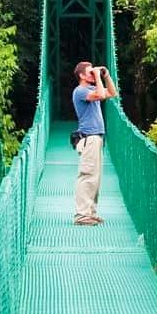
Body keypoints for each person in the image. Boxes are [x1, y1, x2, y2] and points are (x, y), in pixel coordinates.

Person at [70, 61, 115, 226]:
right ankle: (81, 215)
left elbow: (111, 93)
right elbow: (102, 95)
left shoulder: (92, 89)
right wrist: (97, 76)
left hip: (97, 137)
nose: (92, 73)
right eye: (89, 72)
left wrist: (106, 75)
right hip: (89, 138)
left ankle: (90, 212)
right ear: (81, 75)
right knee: (87, 176)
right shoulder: (80, 91)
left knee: (95, 178)